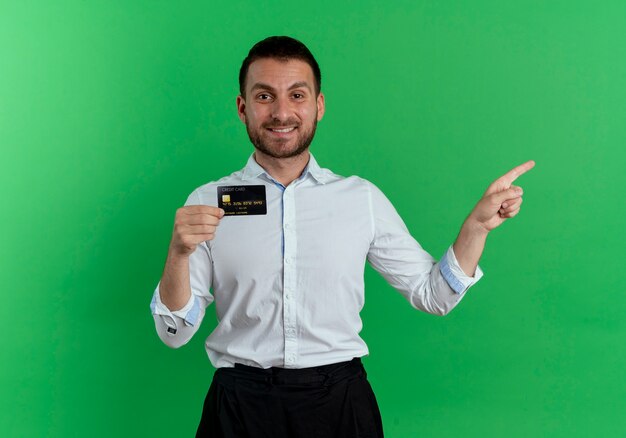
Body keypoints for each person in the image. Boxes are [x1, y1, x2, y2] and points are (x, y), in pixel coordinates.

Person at [150, 36, 534, 438]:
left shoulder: (360, 199)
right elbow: (173, 334)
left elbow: (434, 296)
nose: (282, 112)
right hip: (240, 408)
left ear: (318, 106)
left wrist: (475, 227)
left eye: (296, 95)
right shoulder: (207, 202)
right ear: (242, 107)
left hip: (340, 406)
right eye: (265, 96)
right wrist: (178, 253)